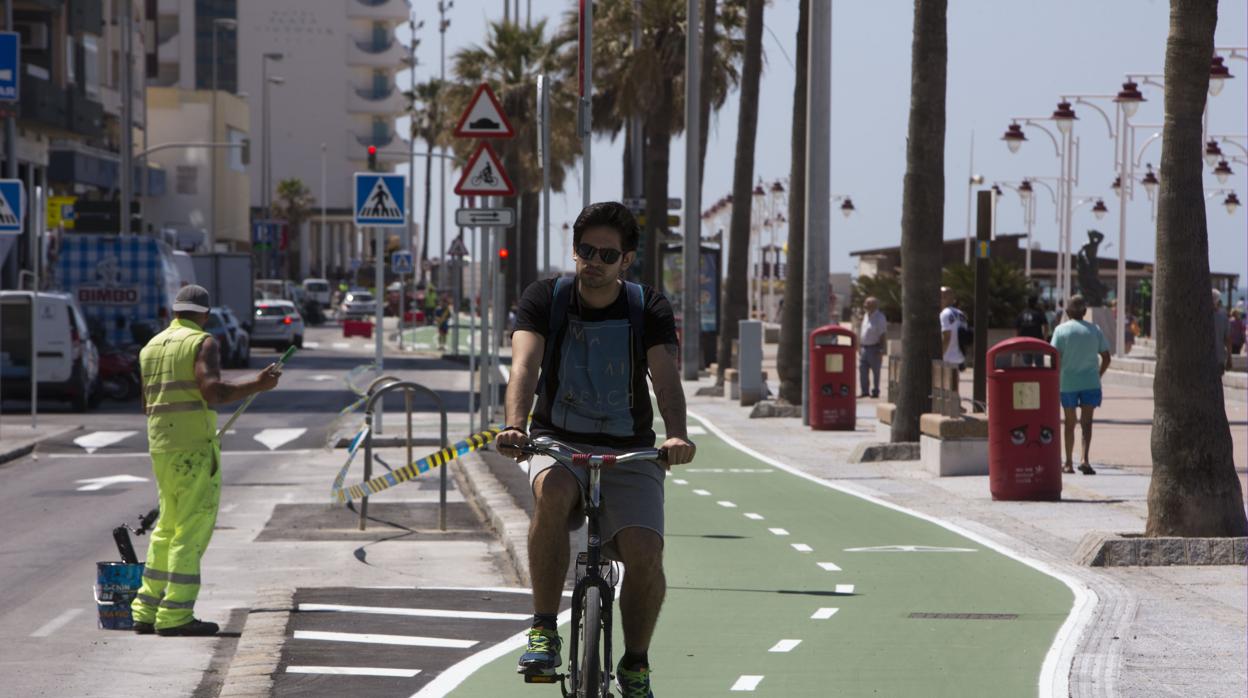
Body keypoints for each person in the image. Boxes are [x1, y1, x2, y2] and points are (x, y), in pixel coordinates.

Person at [496, 202, 696, 697]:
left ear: (626, 260)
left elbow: (666, 378)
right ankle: (544, 628)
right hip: (557, 441)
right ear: (575, 250)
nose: (595, 261)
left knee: (645, 551)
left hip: (630, 449)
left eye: (608, 254)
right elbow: (524, 366)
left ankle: (635, 664)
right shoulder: (546, 298)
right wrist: (515, 426)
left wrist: (677, 434)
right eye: (586, 250)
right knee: (554, 494)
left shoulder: (646, 307)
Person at [130, 285, 282, 636]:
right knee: (191, 528)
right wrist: (257, 384)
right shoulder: (203, 342)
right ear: (205, 313)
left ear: (175, 311)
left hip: (161, 445)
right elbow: (213, 391)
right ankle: (176, 615)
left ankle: (145, 608)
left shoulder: (151, 347)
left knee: (166, 526)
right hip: (193, 448)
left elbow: (146, 403)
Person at [1049, 294, 1111, 475]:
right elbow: (1106, 357)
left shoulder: (1060, 330)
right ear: (1084, 312)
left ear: (1067, 312)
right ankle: (1085, 459)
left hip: (1067, 382)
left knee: (1069, 423)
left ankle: (1068, 462)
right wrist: (1098, 375)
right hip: (1090, 382)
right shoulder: (1095, 330)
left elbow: (1054, 357)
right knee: (1087, 422)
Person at [858, 296, 887, 398]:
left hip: (874, 348)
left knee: (876, 372)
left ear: (873, 305)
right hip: (864, 348)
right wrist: (859, 347)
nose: (864, 305)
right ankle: (864, 391)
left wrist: (881, 350)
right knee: (862, 370)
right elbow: (861, 332)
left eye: (867, 303)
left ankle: (875, 391)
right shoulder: (865, 316)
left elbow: (883, 335)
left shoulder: (880, 317)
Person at [1015, 295, 1050, 366]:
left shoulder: (1022, 313)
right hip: (1037, 341)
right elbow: (1046, 327)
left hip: (1024, 342)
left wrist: (1017, 345)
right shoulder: (1039, 312)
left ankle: (1028, 377)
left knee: (1027, 365)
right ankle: (1039, 377)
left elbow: (1017, 330)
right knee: (1039, 365)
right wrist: (1045, 340)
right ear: (1036, 303)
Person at [939, 286, 966, 370]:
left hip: (948, 358)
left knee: (946, 383)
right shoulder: (961, 314)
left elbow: (947, 337)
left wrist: (940, 355)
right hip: (959, 357)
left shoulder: (945, 314)